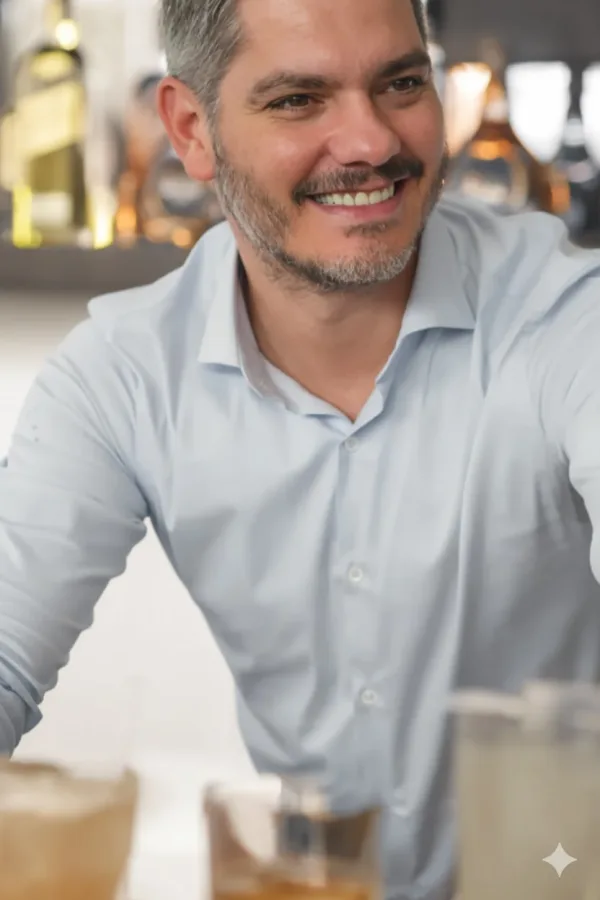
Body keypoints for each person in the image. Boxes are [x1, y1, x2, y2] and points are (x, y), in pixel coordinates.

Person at [1, 0, 600, 896]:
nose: (369, 140)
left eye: (401, 83)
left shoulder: (564, 318)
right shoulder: (125, 376)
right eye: (299, 100)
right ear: (192, 131)